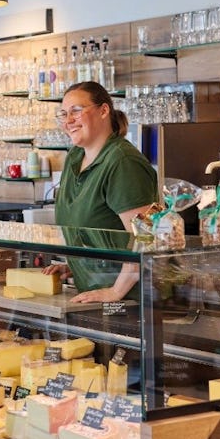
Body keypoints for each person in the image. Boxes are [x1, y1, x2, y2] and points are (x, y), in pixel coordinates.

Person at [43, 81, 157, 303]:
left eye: (76, 111)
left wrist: (115, 292)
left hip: (131, 301)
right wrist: (78, 265)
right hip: (93, 293)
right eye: (63, 114)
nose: (68, 121)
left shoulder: (122, 162)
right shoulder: (75, 158)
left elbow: (146, 237)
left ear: (104, 110)